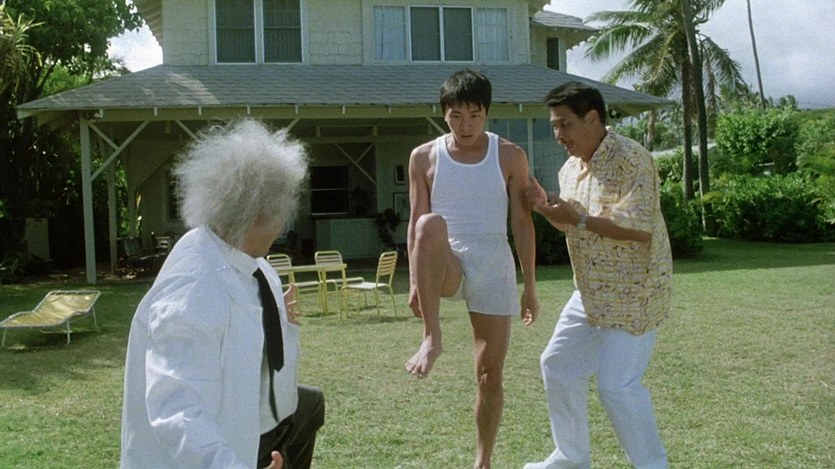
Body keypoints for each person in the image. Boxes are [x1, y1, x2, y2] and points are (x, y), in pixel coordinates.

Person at [120, 119, 324, 469]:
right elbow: (177, 409)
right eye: (280, 214)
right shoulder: (193, 287)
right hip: (223, 446)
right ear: (257, 215)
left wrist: (276, 321)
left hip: (263, 417)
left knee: (310, 406)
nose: (282, 226)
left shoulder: (251, 266)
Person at [523, 81, 672, 469]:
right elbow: (573, 224)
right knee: (557, 366)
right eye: (554, 126)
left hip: (635, 294)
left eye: (565, 124)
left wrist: (579, 219)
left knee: (616, 386)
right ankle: (571, 459)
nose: (558, 135)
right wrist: (546, 210)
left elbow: (638, 229)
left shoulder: (632, 159)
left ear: (592, 118)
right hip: (589, 294)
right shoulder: (570, 170)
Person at [403, 69, 539, 469]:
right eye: (456, 116)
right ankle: (432, 338)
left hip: (493, 259)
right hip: (448, 259)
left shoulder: (510, 155)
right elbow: (415, 224)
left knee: (489, 375)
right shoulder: (423, 157)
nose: (465, 125)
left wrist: (530, 286)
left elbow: (521, 222)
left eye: (474, 116)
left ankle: (483, 462)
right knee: (430, 223)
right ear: (444, 113)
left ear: (487, 113)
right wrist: (414, 282)